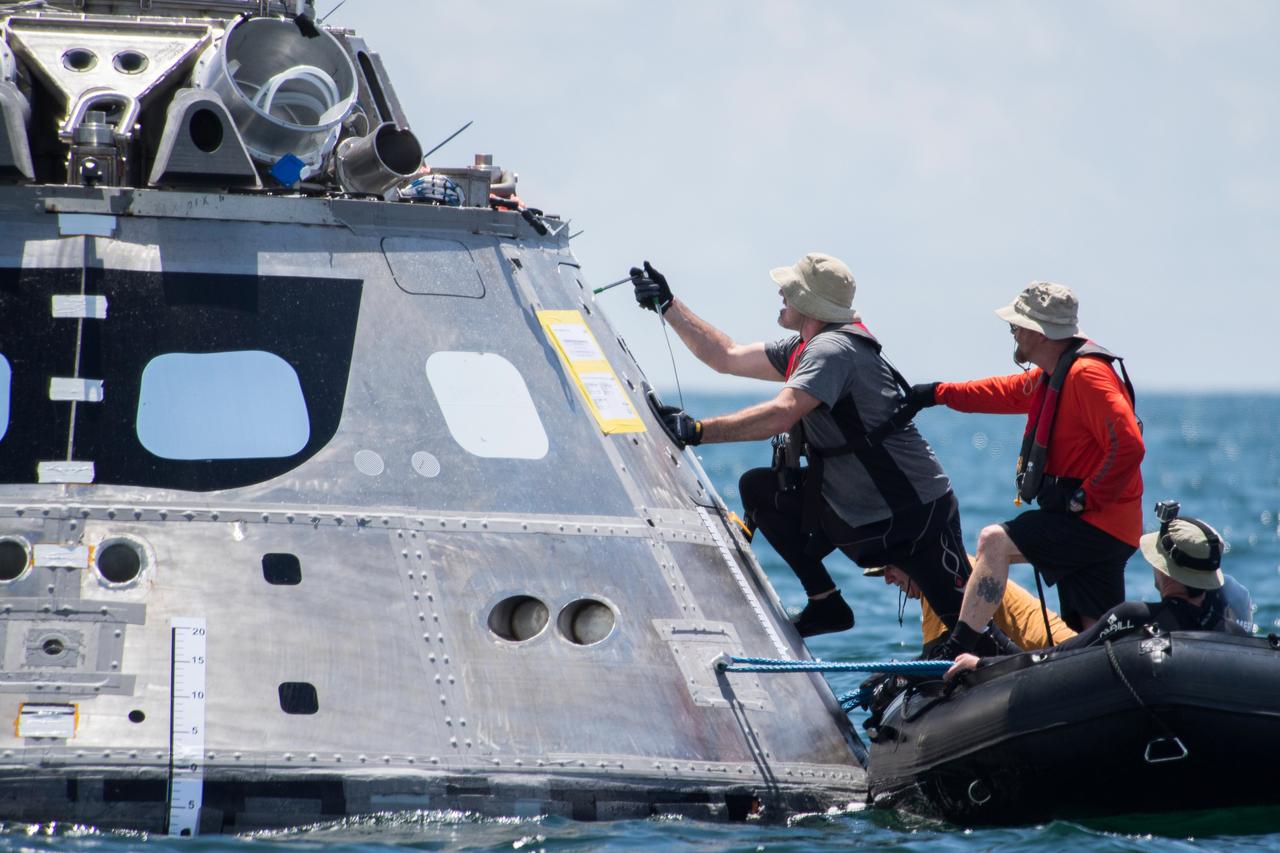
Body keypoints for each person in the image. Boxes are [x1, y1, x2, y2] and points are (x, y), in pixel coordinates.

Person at [629, 254, 982, 640]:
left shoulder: (832, 350)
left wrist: (697, 430)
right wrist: (668, 305)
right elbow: (725, 356)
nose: (780, 293)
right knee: (760, 490)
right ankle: (825, 603)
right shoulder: (804, 347)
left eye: (790, 290)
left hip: (916, 516)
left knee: (971, 636)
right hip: (860, 517)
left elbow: (782, 415)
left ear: (810, 302)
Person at [909, 282, 1144, 656]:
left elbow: (1129, 444)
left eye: (1016, 326)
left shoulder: (1086, 375)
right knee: (1095, 635)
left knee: (994, 542)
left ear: (1037, 332)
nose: (1013, 334)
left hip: (1094, 524)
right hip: (1104, 527)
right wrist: (935, 393)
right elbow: (1002, 392)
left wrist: (1086, 498)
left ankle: (958, 648)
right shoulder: (1055, 374)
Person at [946, 511, 1248, 678]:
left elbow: (1057, 659)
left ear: (1167, 573)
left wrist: (983, 662)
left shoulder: (1134, 617)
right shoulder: (1232, 633)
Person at [865, 563, 1075, 654]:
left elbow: (936, 660)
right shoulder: (945, 571)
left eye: (890, 567)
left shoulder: (941, 580)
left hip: (1056, 656)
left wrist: (893, 681)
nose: (887, 579)